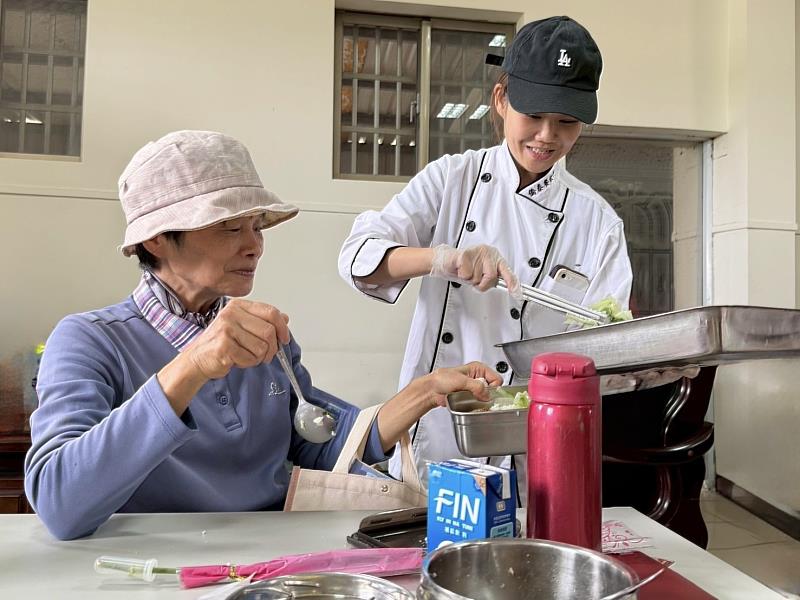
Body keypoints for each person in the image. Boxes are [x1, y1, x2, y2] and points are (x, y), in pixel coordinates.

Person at [24, 130, 501, 540]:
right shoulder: (89, 341)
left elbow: (322, 441)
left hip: (268, 567)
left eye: (256, 225)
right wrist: (192, 365)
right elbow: (61, 502)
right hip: (153, 574)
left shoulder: (264, 338)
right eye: (230, 226)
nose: (254, 244)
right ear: (156, 239)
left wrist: (424, 391)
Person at [338, 16, 633, 486]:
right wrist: (444, 259)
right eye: (533, 115)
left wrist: (648, 358)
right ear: (501, 99)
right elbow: (358, 257)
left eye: (566, 122)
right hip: (440, 428)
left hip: (538, 441)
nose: (547, 136)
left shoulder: (597, 222)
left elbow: (606, 345)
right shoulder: (452, 179)